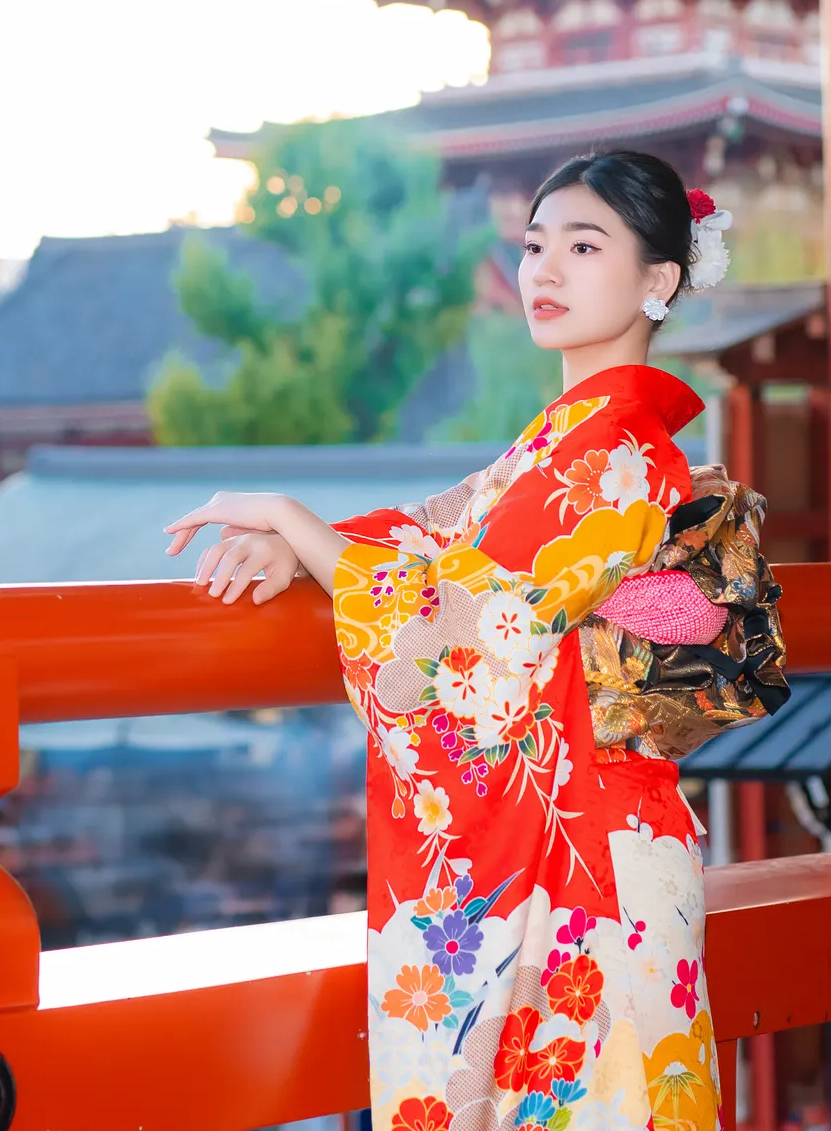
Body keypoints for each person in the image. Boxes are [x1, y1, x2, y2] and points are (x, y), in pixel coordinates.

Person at [166, 150, 734, 1131]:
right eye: (534, 244)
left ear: (659, 279)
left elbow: (464, 628)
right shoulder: (559, 445)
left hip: (593, 876)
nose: (543, 271)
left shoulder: (619, 451)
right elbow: (435, 535)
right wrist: (305, 550)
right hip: (589, 849)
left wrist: (297, 525)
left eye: (584, 244)